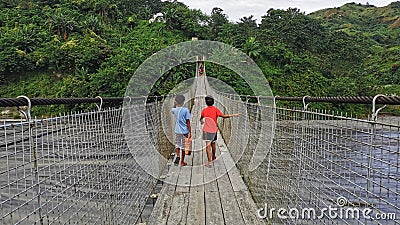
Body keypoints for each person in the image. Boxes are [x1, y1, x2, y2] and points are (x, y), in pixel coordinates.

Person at [200, 95, 239, 167]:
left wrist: (202, 121)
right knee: (213, 144)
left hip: (206, 130)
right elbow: (223, 116)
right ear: (213, 102)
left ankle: (209, 162)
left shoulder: (204, 110)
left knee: (207, 146)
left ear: (206, 103)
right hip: (214, 130)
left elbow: (201, 118)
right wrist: (233, 115)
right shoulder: (215, 110)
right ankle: (214, 156)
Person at [172, 94, 191, 166]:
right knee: (183, 146)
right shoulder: (185, 110)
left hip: (177, 130)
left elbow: (173, 109)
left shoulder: (174, 110)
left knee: (177, 144)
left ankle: (177, 155)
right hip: (184, 131)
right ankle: (182, 161)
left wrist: (174, 104)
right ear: (183, 102)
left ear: (176, 102)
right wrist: (190, 131)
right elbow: (188, 121)